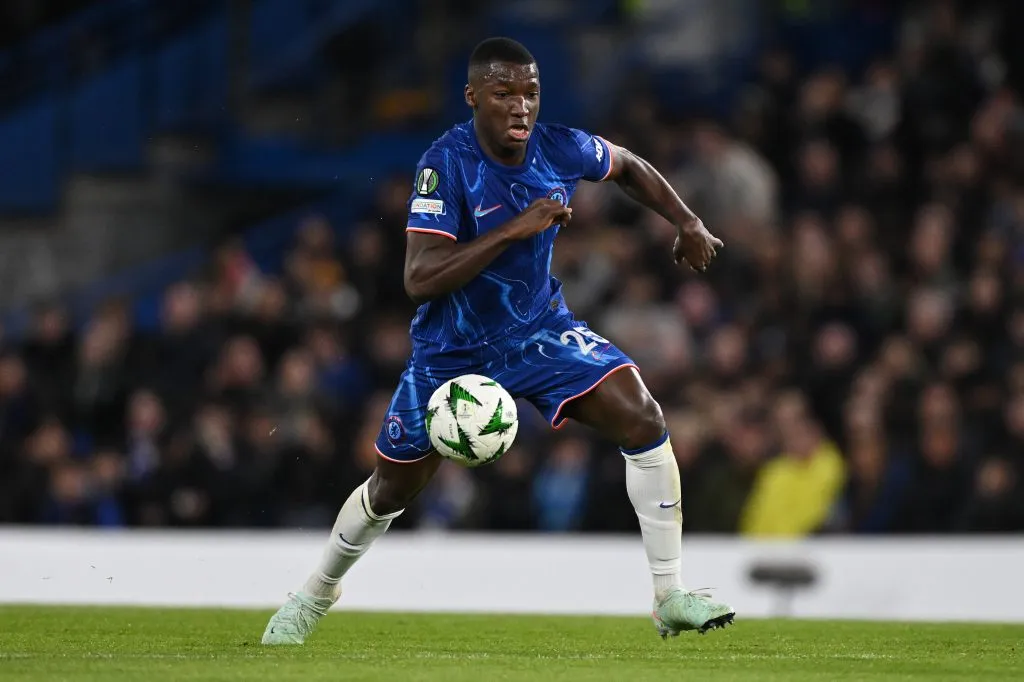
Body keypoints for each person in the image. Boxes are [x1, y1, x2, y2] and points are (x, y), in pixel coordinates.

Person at [262, 37, 733, 645]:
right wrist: (518, 228)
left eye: (530, 93)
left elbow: (630, 167)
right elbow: (418, 279)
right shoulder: (445, 164)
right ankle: (313, 596)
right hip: (450, 353)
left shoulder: (559, 147)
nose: (521, 107)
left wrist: (687, 220)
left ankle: (669, 595)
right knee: (391, 488)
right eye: (504, 93)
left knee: (642, 415)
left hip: (537, 332)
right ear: (473, 97)